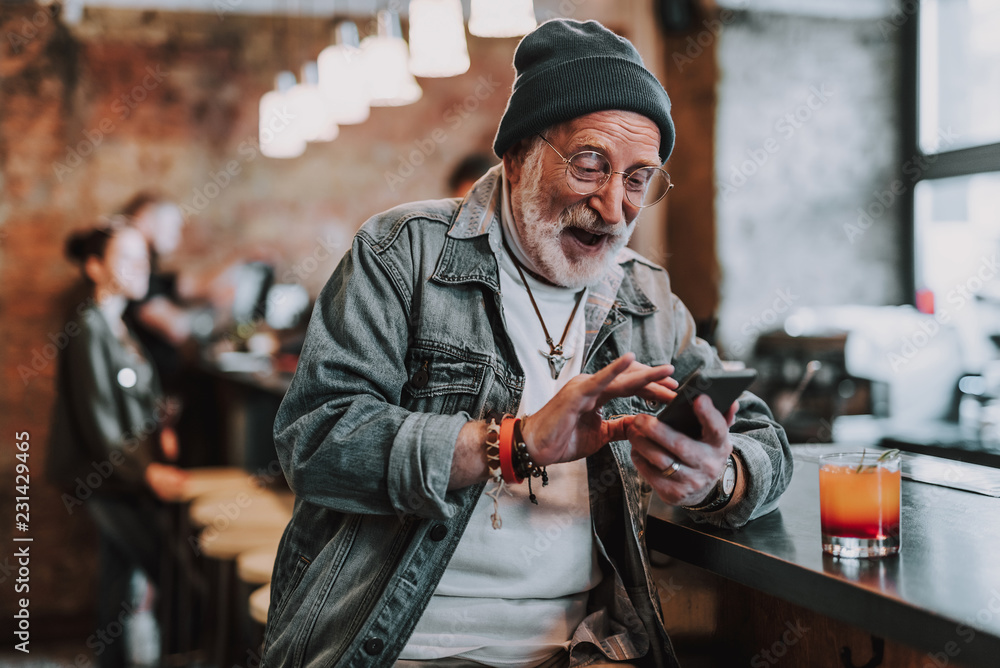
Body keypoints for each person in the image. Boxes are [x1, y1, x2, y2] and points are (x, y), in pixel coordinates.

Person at [262, 19, 792, 668]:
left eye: (637, 179)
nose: (613, 205)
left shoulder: (644, 298)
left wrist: (719, 475)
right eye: (590, 165)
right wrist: (513, 443)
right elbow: (315, 441)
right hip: (400, 647)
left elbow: (764, 439)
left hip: (583, 650)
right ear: (515, 156)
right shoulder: (403, 253)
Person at [47, 225, 189, 668]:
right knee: (172, 571)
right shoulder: (88, 326)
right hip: (107, 478)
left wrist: (161, 426)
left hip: (122, 474)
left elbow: (134, 400)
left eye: (143, 257)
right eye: (126, 258)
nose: (140, 267)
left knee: (117, 577)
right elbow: (99, 422)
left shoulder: (118, 322)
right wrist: (148, 472)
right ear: (94, 267)